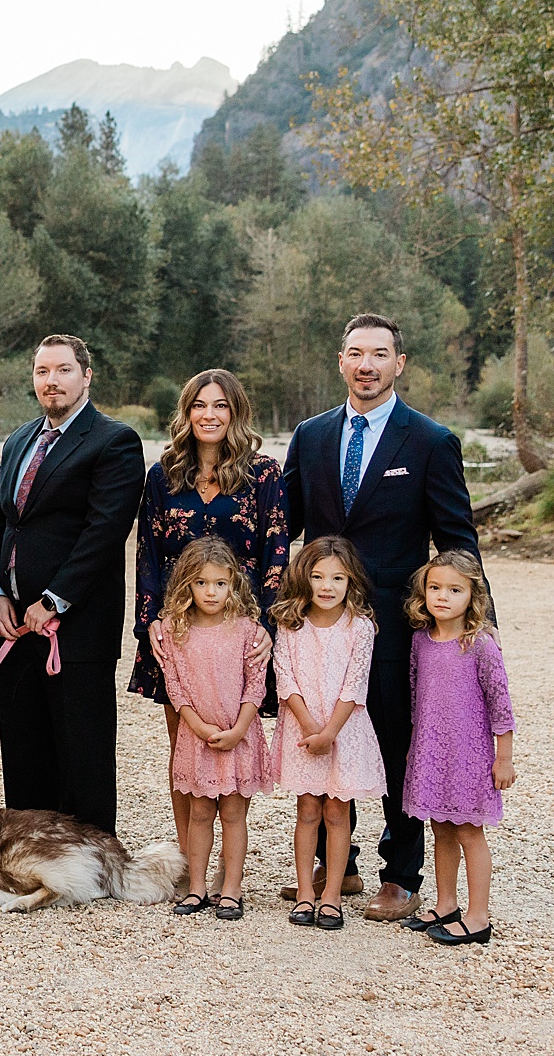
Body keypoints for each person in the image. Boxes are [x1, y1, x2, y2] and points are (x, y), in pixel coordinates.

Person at [281, 313, 484, 922]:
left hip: (396, 622)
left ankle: (401, 874)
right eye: (354, 353)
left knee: (397, 744)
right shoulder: (311, 437)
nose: (365, 364)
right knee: (320, 733)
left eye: (378, 354)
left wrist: (477, 626)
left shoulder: (429, 441)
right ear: (341, 362)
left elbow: (458, 539)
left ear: (400, 364)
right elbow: (281, 525)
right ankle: (331, 868)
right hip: (319, 624)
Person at [0, 335, 147, 835]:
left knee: (82, 749)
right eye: (42, 372)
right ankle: (32, 853)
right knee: (23, 745)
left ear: (86, 376)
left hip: (74, 630)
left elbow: (105, 531)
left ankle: (94, 860)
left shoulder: (113, 441)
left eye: (63, 370)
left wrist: (53, 600)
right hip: (11, 625)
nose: (51, 381)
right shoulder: (18, 441)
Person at [131, 368, 288, 889]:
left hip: (238, 635)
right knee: (186, 751)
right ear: (186, 412)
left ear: (235, 413)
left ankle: (231, 875)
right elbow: (148, 552)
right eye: (200, 405)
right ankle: (189, 867)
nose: (209, 415)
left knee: (234, 745)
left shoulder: (263, 475)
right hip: (178, 636)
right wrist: (150, 622)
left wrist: (265, 624)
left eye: (220, 406)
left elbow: (276, 553)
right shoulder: (164, 476)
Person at [149, 537, 273, 922]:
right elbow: (175, 685)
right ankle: (197, 887)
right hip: (196, 738)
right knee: (199, 815)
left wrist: (239, 729)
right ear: (187, 584)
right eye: (201, 583)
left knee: (234, 816)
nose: (211, 591)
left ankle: (232, 888)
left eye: (220, 583)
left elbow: (257, 684)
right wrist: (198, 725)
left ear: (233, 583)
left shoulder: (248, 631)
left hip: (238, 738)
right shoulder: (174, 629)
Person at [402, 551, 518, 946]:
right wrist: (415, 745)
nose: (442, 597)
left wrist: (504, 757)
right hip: (432, 752)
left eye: (454, 590)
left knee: (470, 832)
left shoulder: (480, 644)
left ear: (472, 595)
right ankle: (446, 902)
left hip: (469, 754)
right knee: (441, 829)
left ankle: (478, 915)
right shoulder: (421, 641)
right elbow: (418, 695)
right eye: (435, 588)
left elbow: (500, 703)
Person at [271, 536, 384, 932]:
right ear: (305, 578)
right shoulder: (290, 625)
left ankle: (333, 895)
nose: (327, 586)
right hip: (303, 728)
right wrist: (309, 727)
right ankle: (305, 892)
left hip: (344, 729)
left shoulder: (361, 628)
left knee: (338, 812)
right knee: (307, 810)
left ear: (351, 581)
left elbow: (355, 685)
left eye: (337, 577)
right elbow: (285, 680)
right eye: (318, 576)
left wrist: (330, 732)